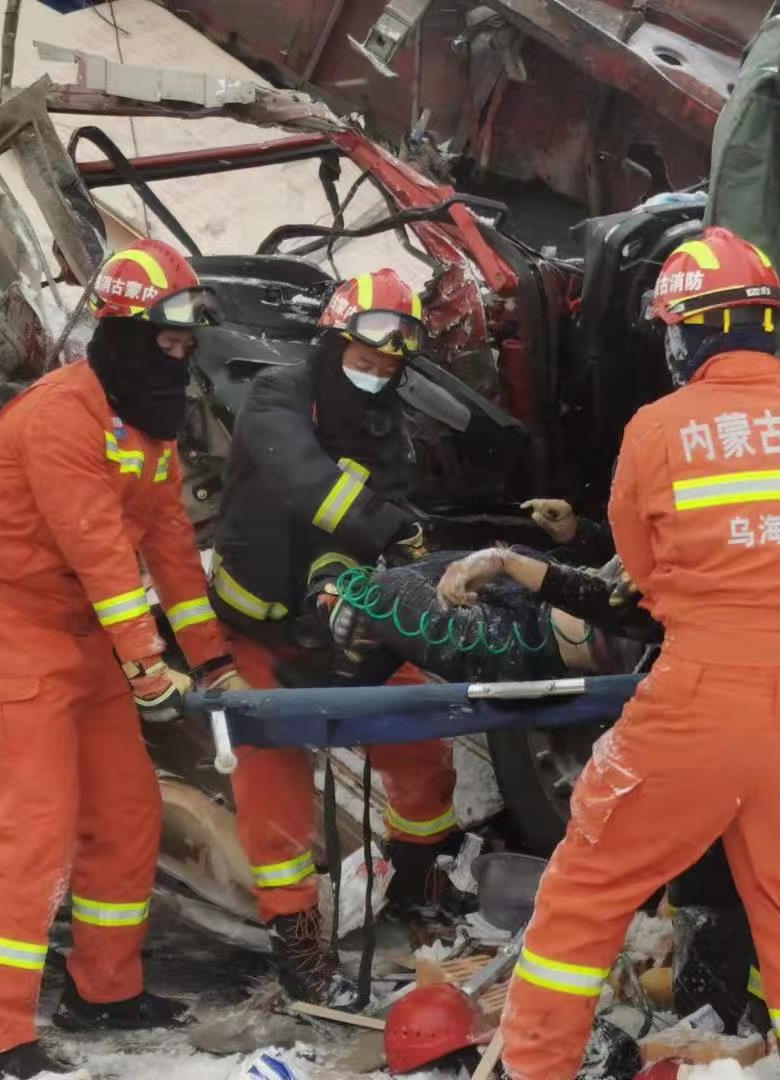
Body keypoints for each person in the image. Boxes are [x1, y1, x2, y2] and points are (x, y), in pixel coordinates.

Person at [494, 226, 780, 1080]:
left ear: (686, 332)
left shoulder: (659, 430)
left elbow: (641, 576)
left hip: (703, 695)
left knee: (585, 891)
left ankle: (536, 1067)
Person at [0, 239, 249, 1079]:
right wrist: (148, 664)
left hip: (87, 646)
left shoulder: (147, 430)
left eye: (189, 345)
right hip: (10, 637)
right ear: (126, 330)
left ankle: (105, 991)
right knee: (34, 834)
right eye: (170, 341)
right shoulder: (53, 418)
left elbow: (172, 550)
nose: (180, 358)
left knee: (125, 814)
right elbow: (101, 552)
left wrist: (211, 659)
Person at [208, 268, 460, 1004]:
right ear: (330, 342)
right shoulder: (276, 396)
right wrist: (388, 529)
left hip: (338, 622)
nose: (378, 377)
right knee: (276, 794)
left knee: (422, 742)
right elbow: (307, 481)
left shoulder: (389, 430)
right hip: (257, 626)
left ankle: (417, 884)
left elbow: (372, 518)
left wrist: (360, 580)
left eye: (391, 368)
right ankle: (299, 950)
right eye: (366, 359)